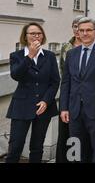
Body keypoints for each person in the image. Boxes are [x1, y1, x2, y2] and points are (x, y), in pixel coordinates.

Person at [60, 17, 95, 163]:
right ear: (77, 32)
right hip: (74, 110)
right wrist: (64, 108)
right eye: (81, 30)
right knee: (76, 148)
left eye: (88, 30)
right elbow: (66, 82)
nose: (85, 33)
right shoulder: (72, 54)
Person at [6, 22, 60, 163]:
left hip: (43, 107)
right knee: (15, 146)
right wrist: (30, 55)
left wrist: (46, 101)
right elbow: (16, 75)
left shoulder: (49, 56)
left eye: (39, 33)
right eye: (32, 33)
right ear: (25, 36)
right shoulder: (16, 56)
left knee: (37, 147)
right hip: (21, 105)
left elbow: (55, 82)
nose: (36, 36)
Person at [55, 15, 83, 163]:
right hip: (69, 95)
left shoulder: (94, 47)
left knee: (80, 133)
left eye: (80, 26)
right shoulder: (66, 47)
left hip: (85, 97)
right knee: (65, 132)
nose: (77, 30)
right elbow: (62, 72)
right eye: (75, 26)